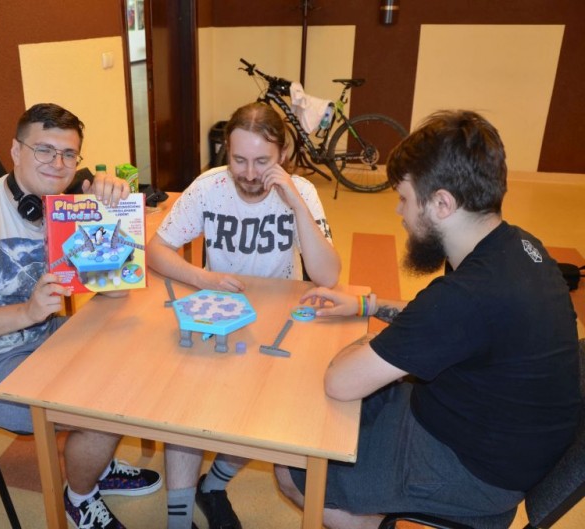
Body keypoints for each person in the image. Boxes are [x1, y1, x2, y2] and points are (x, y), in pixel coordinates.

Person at [274, 110, 581, 528]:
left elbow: (341, 381)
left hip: (473, 471)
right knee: (343, 414)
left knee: (294, 469)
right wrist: (366, 306)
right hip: (496, 435)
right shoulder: (516, 246)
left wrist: (359, 342)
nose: (399, 211)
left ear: (442, 203)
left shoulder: (468, 295)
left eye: (404, 198)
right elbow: (443, 324)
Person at [0, 103, 161, 529]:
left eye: (68, 154)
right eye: (44, 150)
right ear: (15, 151)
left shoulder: (60, 206)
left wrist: (107, 213)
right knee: (106, 406)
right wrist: (28, 312)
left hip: (32, 339)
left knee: (128, 357)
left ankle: (94, 464)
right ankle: (79, 498)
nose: (58, 164)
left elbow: (115, 287)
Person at [147, 102, 341, 529]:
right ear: (226, 152)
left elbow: (328, 276)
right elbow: (156, 250)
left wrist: (295, 202)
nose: (250, 174)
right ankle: (178, 520)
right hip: (220, 312)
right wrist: (203, 277)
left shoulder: (301, 192)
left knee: (260, 413)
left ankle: (213, 485)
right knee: (184, 411)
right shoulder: (209, 186)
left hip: (277, 319)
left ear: (283, 154)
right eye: (239, 160)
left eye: (262, 161)